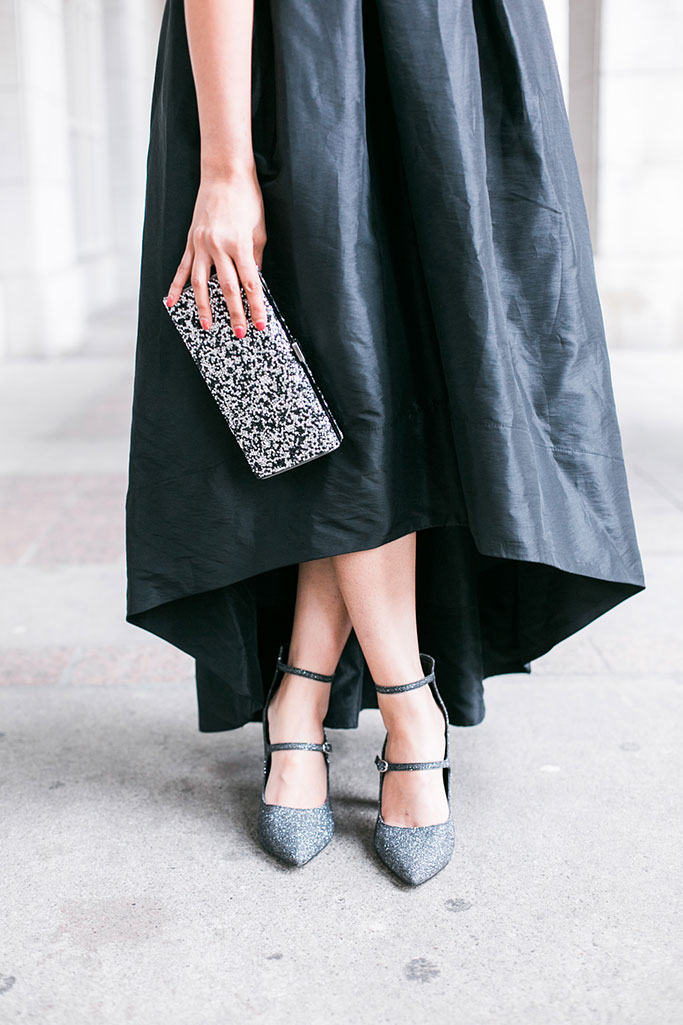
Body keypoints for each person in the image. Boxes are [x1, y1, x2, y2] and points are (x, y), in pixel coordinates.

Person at [125, 0, 646, 886]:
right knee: (341, 374)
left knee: (403, 377)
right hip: (303, 56)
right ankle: (409, 708)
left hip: (455, 53)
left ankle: (302, 694)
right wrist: (225, 160)